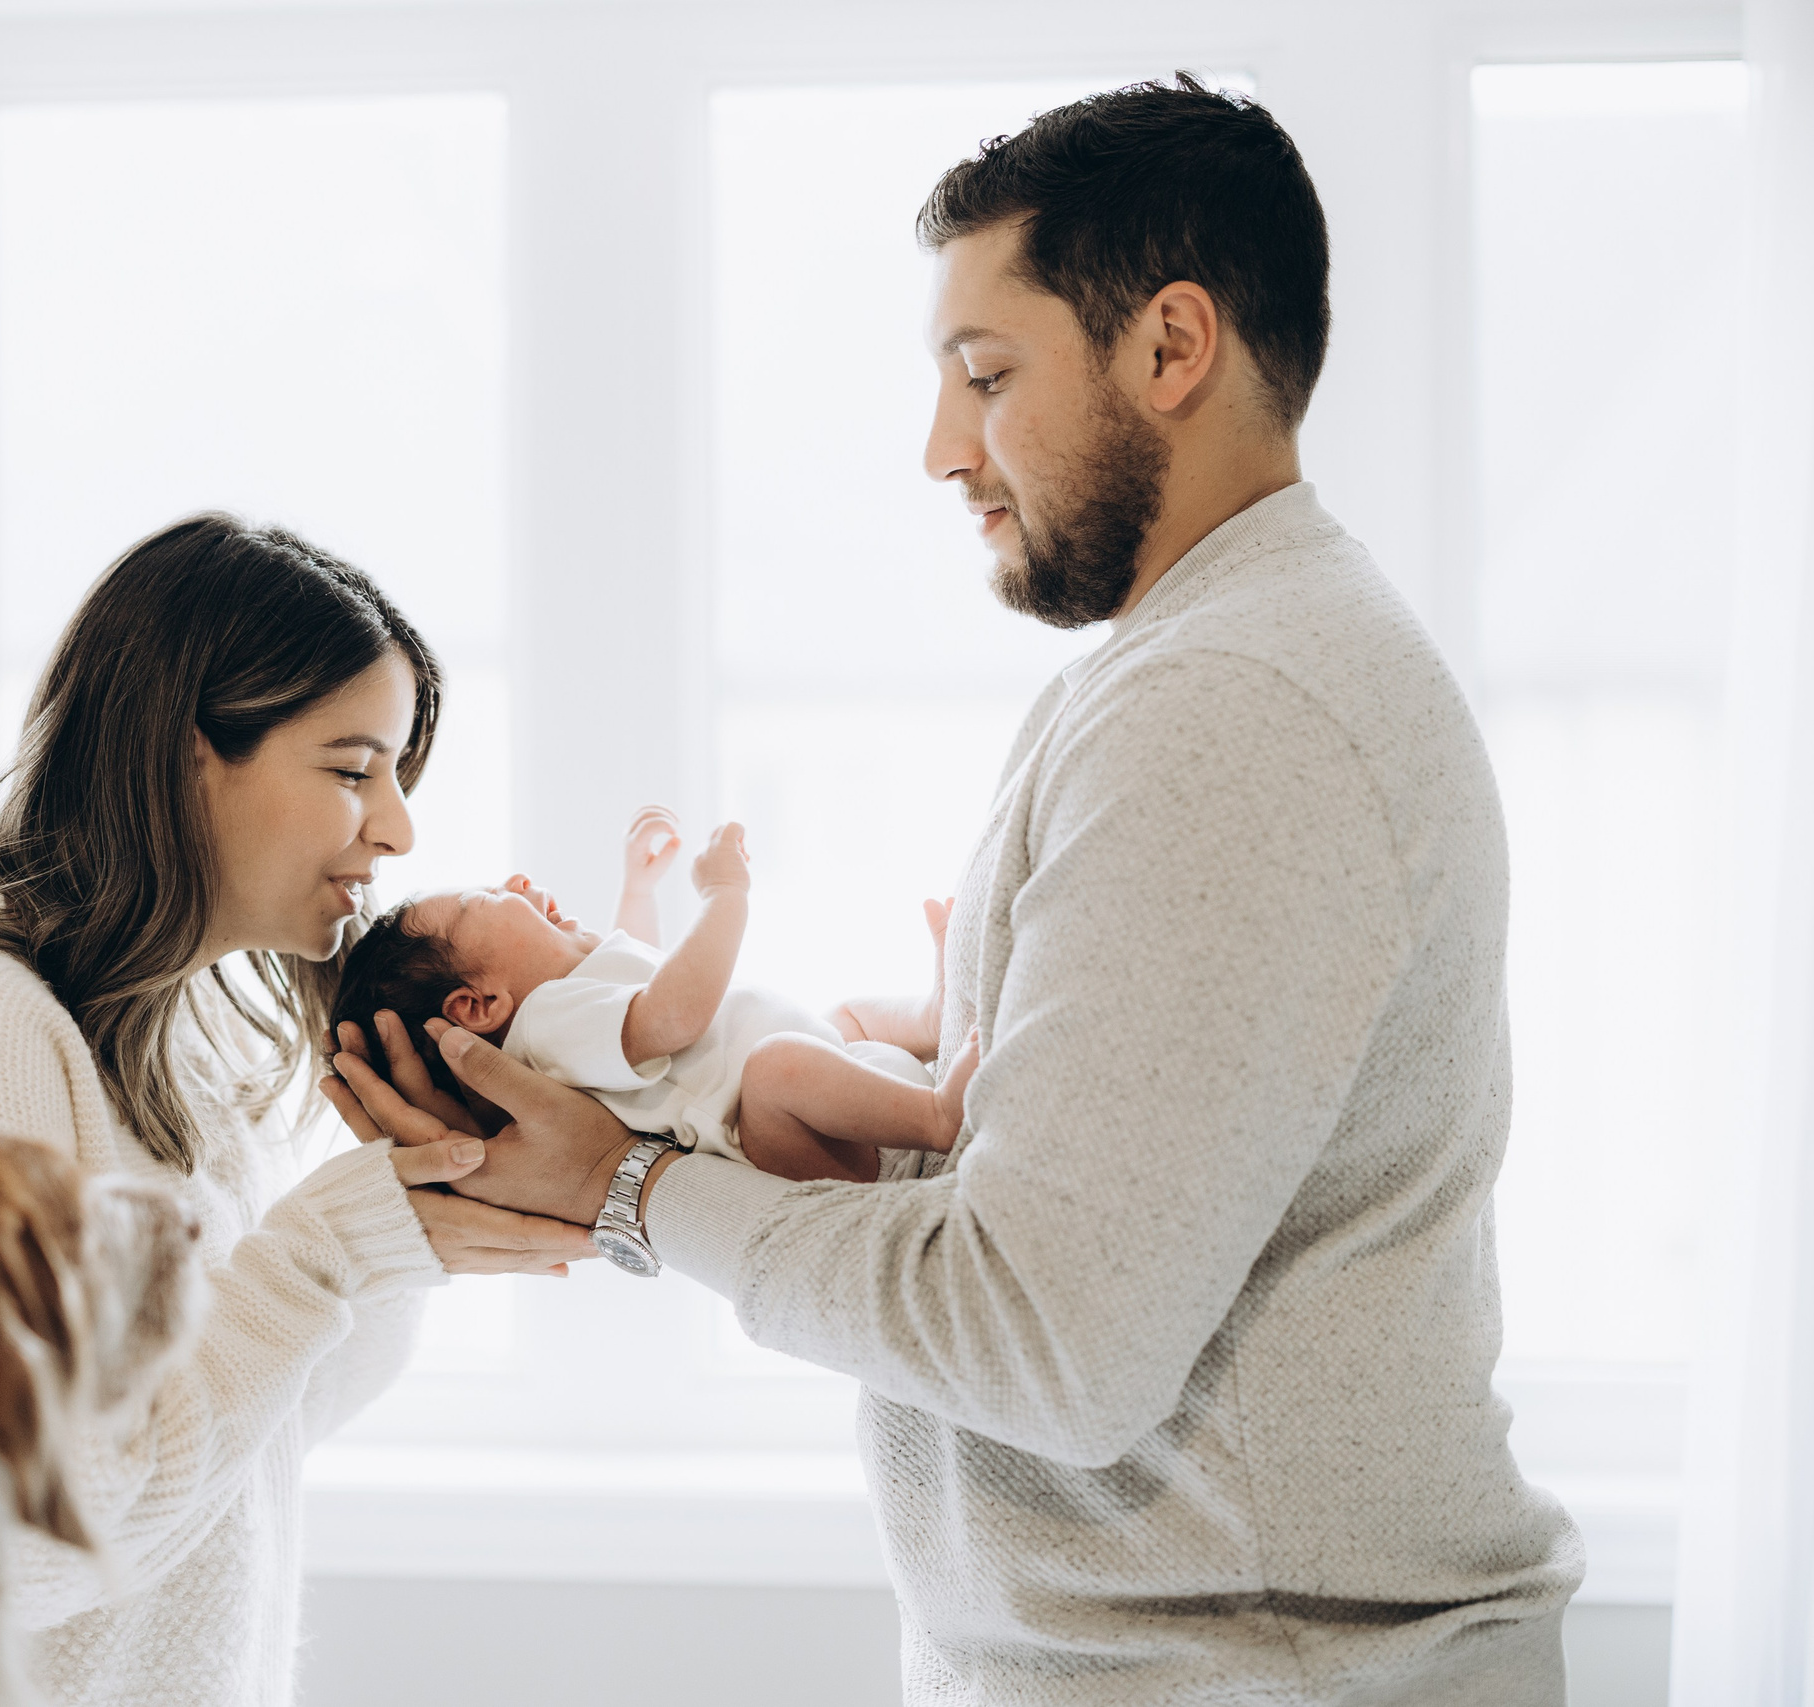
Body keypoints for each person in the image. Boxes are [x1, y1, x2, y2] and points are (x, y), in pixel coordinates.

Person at [329, 75, 1584, 1705]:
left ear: (1172, 347)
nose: (940, 450)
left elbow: (1047, 1347)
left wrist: (627, 1191)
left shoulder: (1236, 706)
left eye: (987, 377)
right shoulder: (1208, 669)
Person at [0, 514, 594, 1707]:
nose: (398, 829)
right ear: (185, 752)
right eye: (353, 770)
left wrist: (402, 1224)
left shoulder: (172, 1049)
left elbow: (242, 1455)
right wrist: (319, 1252)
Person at [332, 808, 971, 1183]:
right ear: (479, 1005)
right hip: (796, 1139)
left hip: (839, 1098)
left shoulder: (580, 1006)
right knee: (777, 1063)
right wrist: (725, 896)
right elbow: (670, 1014)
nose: (516, 881)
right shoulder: (546, 1028)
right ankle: (938, 1118)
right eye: (486, 899)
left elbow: (639, 976)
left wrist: (637, 889)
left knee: (839, 1016)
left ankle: (929, 1022)